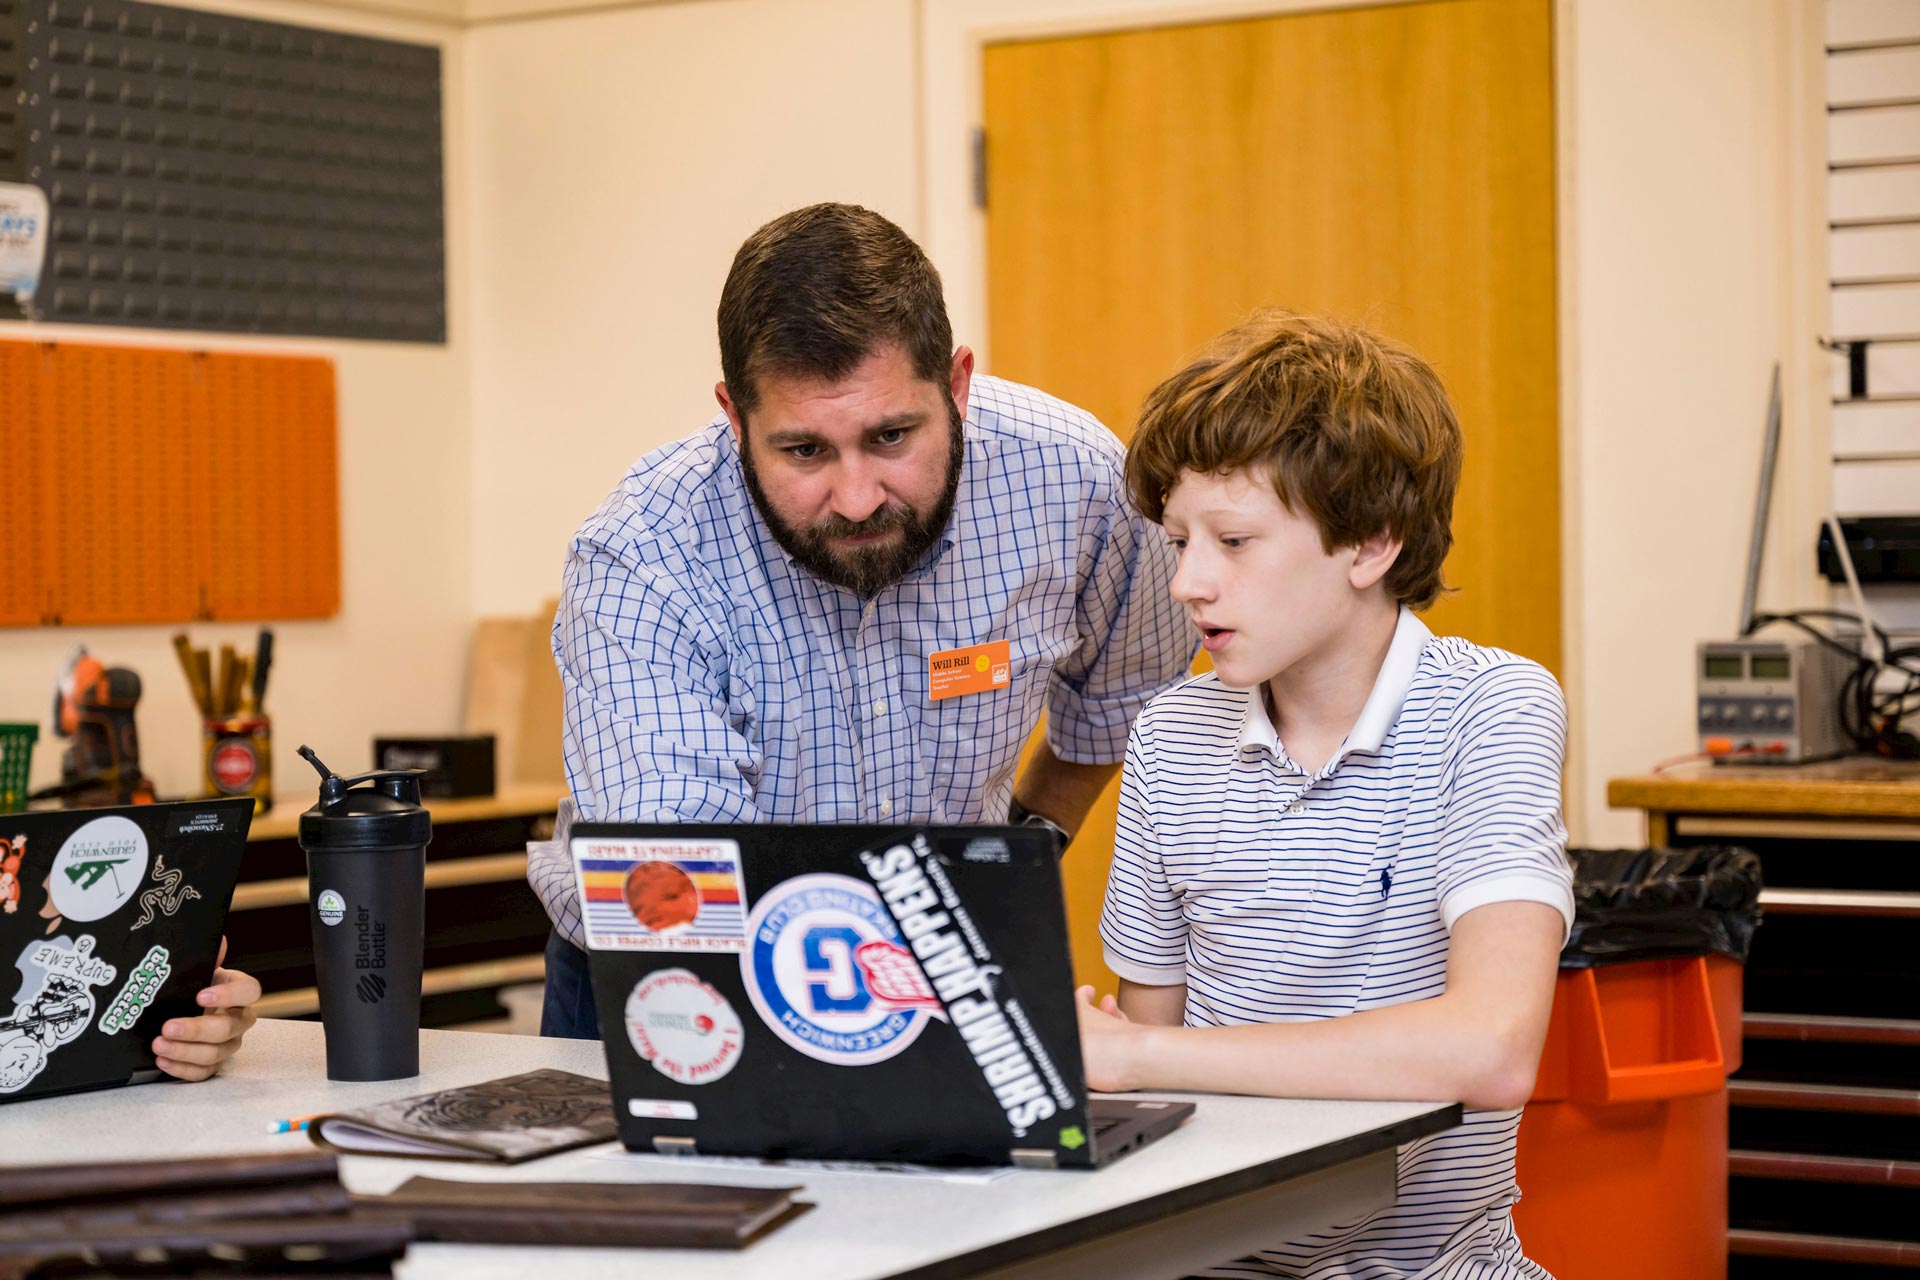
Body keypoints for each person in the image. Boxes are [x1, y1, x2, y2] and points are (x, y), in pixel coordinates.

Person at [529, 203, 1197, 1038]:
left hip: (946, 956)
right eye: (804, 451)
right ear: (735, 419)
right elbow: (680, 887)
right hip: (679, 973)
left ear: (955, 385)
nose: (856, 498)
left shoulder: (1075, 483)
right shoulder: (644, 556)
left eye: (890, 436)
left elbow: (1126, 701)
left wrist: (1012, 861)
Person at [1080, 311, 1572, 1277]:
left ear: (1372, 543)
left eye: (1233, 540)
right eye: (1179, 541)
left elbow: (1493, 1047)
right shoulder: (1171, 737)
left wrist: (1137, 1059)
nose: (1187, 582)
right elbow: (1152, 1085)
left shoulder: (1494, 708)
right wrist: (1136, 1062)